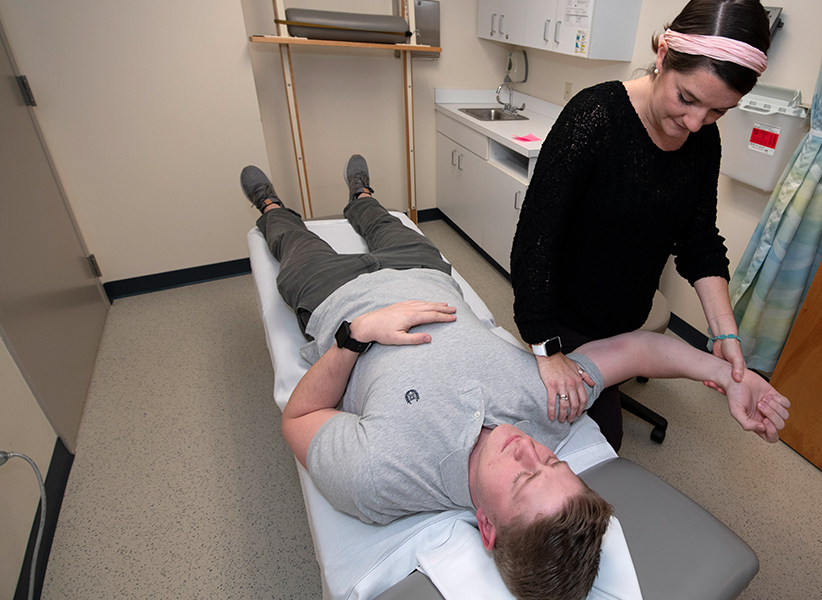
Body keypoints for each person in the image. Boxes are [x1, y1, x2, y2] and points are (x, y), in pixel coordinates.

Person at [240, 156, 789, 600]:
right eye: (552, 462)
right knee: (383, 222)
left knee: (293, 241)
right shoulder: (550, 407)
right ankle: (361, 197)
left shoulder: (381, 477)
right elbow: (640, 349)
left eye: (525, 477)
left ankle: (270, 205)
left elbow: (301, 415)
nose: (529, 449)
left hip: (336, 299)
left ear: (486, 527)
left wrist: (357, 335)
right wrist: (727, 372)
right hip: (428, 273)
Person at [510, 0, 773, 450]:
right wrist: (547, 351)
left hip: (626, 322)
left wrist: (724, 333)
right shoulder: (595, 117)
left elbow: (699, 239)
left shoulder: (702, 141)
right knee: (587, 440)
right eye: (686, 98)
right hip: (561, 319)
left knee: (601, 443)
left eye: (716, 113)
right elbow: (535, 240)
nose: (694, 123)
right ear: (663, 55)